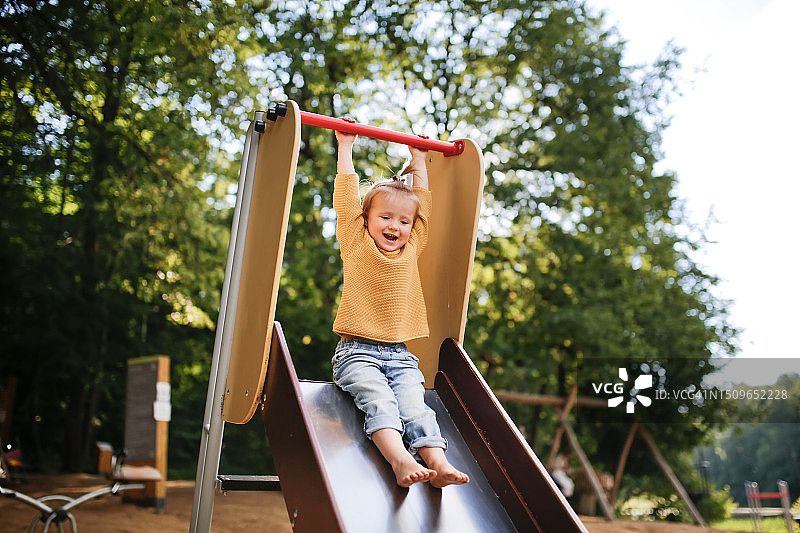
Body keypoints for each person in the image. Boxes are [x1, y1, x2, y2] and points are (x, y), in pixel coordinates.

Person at [331, 120, 469, 489]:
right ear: (367, 220)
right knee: (380, 402)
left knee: (416, 405)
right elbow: (346, 200)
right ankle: (399, 459)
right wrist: (346, 145)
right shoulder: (355, 241)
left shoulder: (412, 246)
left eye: (403, 221)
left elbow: (422, 206)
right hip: (356, 353)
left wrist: (419, 158)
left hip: (401, 355)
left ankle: (437, 464)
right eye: (385, 217)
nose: (395, 226)